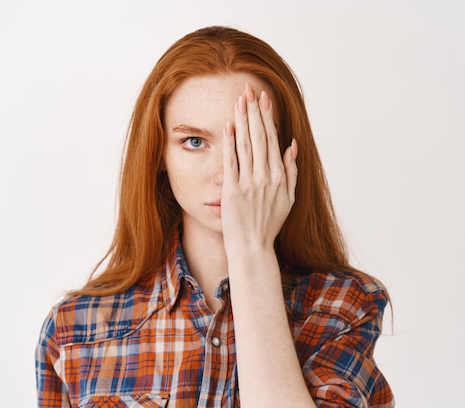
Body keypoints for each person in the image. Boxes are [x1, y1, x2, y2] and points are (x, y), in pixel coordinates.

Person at [35, 25, 395, 408]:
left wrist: (252, 252)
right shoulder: (75, 330)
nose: (226, 174)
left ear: (286, 152)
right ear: (159, 155)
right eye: (194, 142)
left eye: (249, 142)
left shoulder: (343, 306)